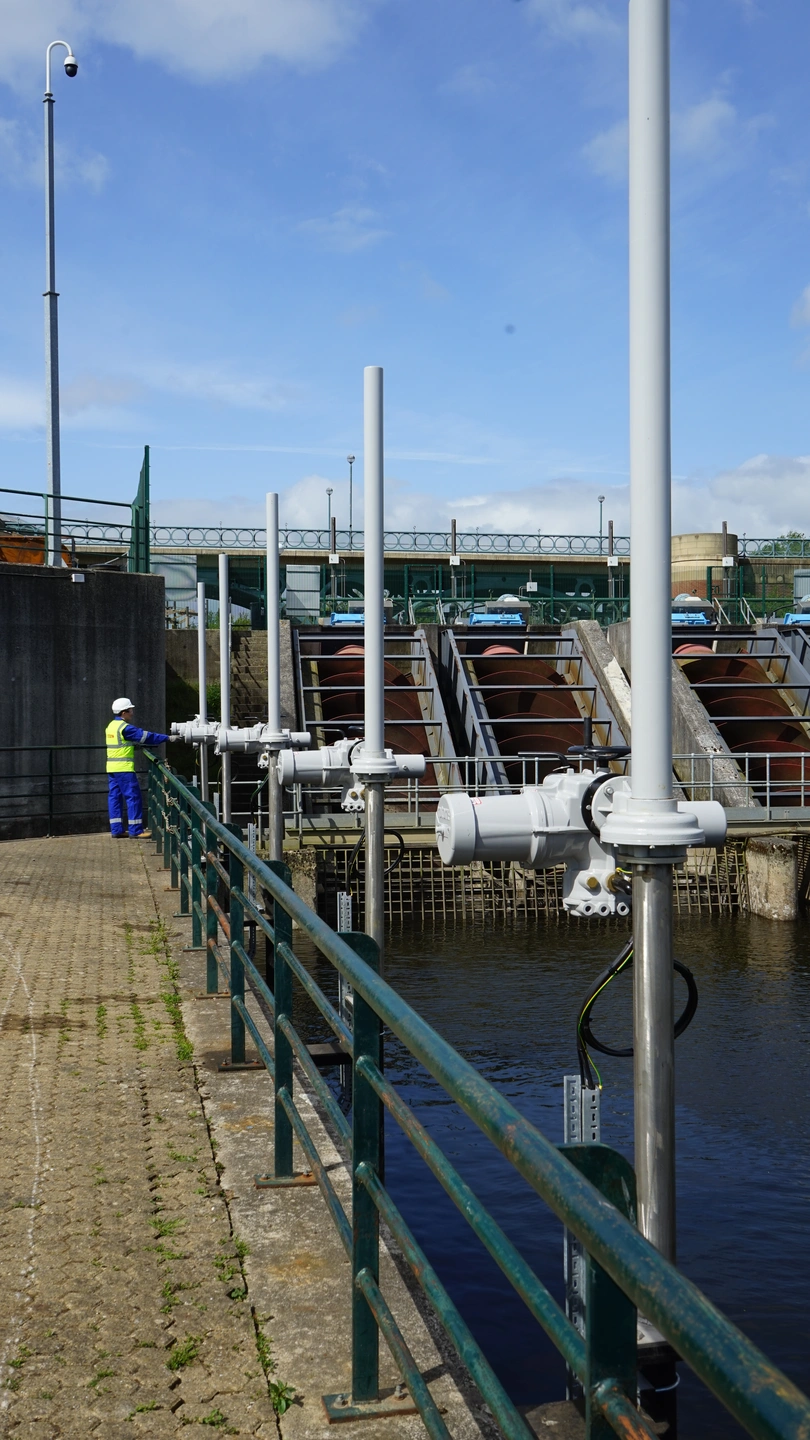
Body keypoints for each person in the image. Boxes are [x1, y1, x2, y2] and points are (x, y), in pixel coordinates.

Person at [106, 697, 175, 838]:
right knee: (133, 797)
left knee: (115, 798)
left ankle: (116, 829)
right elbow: (146, 737)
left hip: (112, 768)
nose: (132, 713)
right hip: (124, 768)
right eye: (130, 710)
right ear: (123, 712)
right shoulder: (125, 728)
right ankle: (136, 830)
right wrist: (167, 738)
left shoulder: (111, 726)